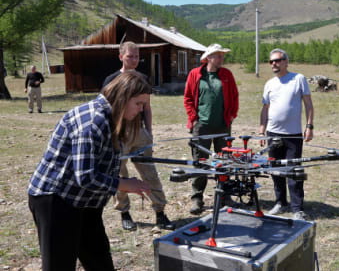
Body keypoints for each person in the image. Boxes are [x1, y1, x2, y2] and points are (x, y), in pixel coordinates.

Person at [28, 71, 152, 271]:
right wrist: (123, 184)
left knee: (100, 262)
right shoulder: (93, 121)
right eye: (138, 103)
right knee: (59, 265)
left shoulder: (112, 117)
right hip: (55, 199)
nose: (141, 110)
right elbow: (85, 176)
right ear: (123, 97)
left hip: (85, 201)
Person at [103, 41, 174, 231]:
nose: (134, 60)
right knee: (119, 174)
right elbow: (107, 110)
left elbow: (147, 107)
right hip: (119, 133)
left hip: (140, 132)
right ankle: (124, 213)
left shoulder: (143, 78)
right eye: (130, 56)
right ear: (121, 57)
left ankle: (160, 212)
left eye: (136, 56)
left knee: (149, 172)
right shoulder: (111, 80)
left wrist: (149, 132)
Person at [184, 43, 239, 215]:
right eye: (218, 55)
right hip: (202, 126)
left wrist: (231, 116)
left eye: (222, 55)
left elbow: (235, 96)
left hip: (223, 125)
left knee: (224, 161)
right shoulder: (196, 74)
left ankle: (224, 195)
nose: (221, 58)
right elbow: (188, 99)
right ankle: (197, 198)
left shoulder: (227, 74)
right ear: (208, 58)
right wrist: (193, 119)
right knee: (201, 161)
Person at [259, 48, 314, 220]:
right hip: (272, 133)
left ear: (286, 62)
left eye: (277, 60)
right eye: (271, 61)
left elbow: (308, 105)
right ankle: (280, 202)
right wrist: (262, 130)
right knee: (276, 170)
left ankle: (297, 208)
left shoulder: (298, 79)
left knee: (293, 171)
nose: (274, 64)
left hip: (293, 134)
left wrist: (309, 126)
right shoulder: (269, 84)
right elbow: (265, 108)